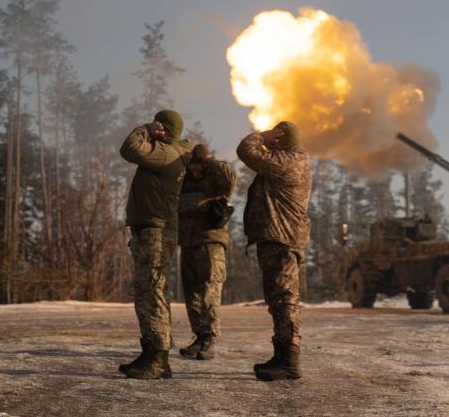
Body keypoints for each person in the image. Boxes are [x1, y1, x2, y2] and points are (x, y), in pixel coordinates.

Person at [118, 109, 194, 380]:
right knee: (150, 292)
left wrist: (145, 129)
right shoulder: (170, 153)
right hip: (152, 230)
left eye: (159, 123)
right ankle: (152, 352)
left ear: (164, 128)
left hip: (156, 231)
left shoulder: (166, 153)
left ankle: (157, 357)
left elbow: (129, 148)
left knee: (152, 292)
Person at [236, 121, 312, 381]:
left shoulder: (287, 161)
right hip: (280, 237)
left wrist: (259, 136)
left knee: (284, 298)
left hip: (282, 239)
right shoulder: (292, 159)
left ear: (280, 140)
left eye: (274, 137)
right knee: (279, 298)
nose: (269, 141)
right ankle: (282, 355)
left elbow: (247, 151)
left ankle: (290, 360)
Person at [177, 144, 237, 360]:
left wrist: (210, 161)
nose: (196, 171)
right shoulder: (185, 180)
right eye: (193, 166)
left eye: (199, 165)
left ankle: (210, 338)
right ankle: (200, 337)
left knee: (210, 291)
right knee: (191, 292)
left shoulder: (216, 179)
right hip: (188, 242)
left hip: (211, 243)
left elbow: (230, 178)